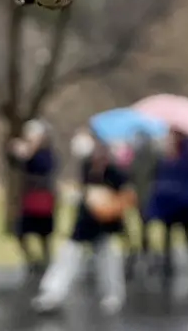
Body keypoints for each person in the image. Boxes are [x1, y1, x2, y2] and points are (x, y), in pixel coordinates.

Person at [32, 127, 134, 315]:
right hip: (85, 222)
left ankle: (113, 295)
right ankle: (52, 294)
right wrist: (80, 196)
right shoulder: (87, 167)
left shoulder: (115, 171)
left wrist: (109, 203)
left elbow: (127, 196)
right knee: (68, 255)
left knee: (109, 260)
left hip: (106, 224)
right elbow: (85, 190)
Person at [149, 130, 188, 280]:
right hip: (169, 202)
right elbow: (159, 176)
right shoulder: (166, 159)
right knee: (167, 235)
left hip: (184, 203)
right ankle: (167, 267)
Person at [6, 118, 57, 271]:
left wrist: (30, 152)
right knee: (21, 231)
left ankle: (47, 260)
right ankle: (31, 261)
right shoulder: (26, 151)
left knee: (44, 233)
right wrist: (14, 150)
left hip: (43, 196)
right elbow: (14, 162)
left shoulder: (46, 153)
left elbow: (45, 167)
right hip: (29, 197)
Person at [126, 130, 161, 273]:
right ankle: (145, 253)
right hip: (144, 196)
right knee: (144, 227)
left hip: (146, 196)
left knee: (145, 227)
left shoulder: (148, 157)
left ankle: (146, 254)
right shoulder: (149, 156)